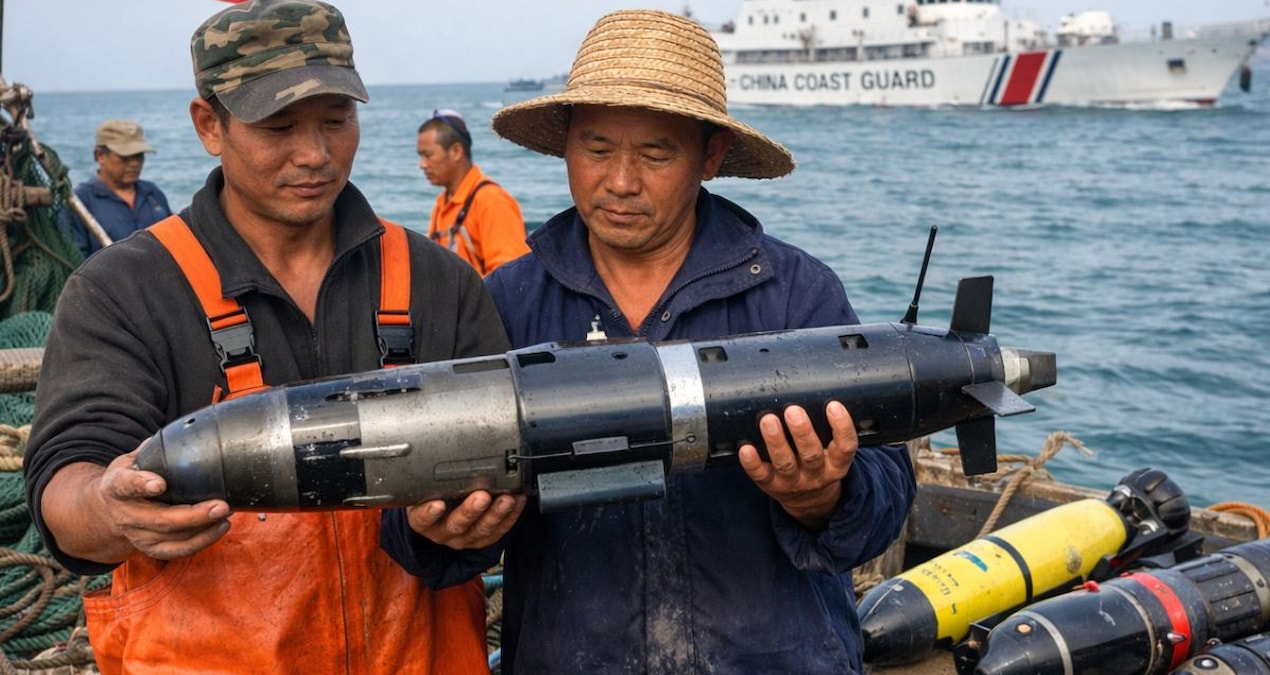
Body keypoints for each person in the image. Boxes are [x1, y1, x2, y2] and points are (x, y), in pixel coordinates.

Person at [382, 9, 917, 675]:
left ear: (711, 155)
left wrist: (823, 497)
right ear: (566, 145)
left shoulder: (794, 292)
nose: (621, 181)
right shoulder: (506, 301)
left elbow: (888, 493)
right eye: (598, 149)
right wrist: (438, 529)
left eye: (657, 154)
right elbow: (419, 523)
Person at [23, 1, 523, 673]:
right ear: (209, 124)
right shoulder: (122, 290)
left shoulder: (440, 282)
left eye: (337, 121)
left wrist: (468, 522)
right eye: (277, 125)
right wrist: (109, 509)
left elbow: (504, 465)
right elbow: (66, 490)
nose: (314, 154)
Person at [418, 108, 529, 275]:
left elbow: (513, 280)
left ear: (456, 152)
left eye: (428, 155)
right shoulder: (442, 204)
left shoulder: (491, 201)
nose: (422, 164)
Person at [67, 119, 173, 258]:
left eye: (139, 156)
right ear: (100, 156)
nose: (135, 163)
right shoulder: (80, 202)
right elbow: (75, 259)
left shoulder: (152, 193)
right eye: (125, 157)